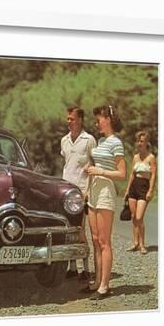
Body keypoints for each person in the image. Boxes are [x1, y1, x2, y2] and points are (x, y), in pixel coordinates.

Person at [84, 105, 126, 299]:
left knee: (104, 241)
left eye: (99, 118)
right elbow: (98, 165)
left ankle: (105, 286)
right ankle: (97, 281)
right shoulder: (101, 141)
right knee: (94, 240)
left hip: (106, 191)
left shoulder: (116, 143)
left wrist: (99, 171)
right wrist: (90, 171)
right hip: (93, 190)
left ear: (107, 119)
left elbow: (122, 173)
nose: (96, 122)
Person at [60, 106, 96, 281]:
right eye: (67, 118)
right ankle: (72, 267)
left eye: (71, 119)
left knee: (80, 231)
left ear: (80, 120)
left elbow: (94, 167)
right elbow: (68, 164)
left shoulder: (89, 140)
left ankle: (86, 269)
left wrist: (88, 191)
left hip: (81, 193)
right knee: (68, 230)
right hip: (65, 193)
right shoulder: (64, 141)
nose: (69, 121)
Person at [123, 131, 157, 254]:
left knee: (139, 217)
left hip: (144, 187)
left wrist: (150, 190)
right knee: (133, 217)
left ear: (146, 142)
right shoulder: (135, 157)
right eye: (138, 141)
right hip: (134, 187)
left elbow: (153, 175)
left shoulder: (151, 157)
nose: (139, 143)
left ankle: (143, 244)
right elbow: (132, 174)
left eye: (142, 141)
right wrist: (127, 190)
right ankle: (135, 243)